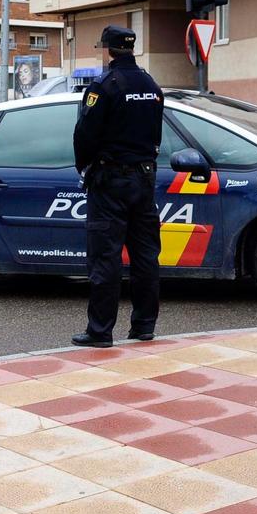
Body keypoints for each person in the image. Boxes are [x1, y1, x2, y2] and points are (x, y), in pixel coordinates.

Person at [71, 25, 164, 347]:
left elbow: (85, 133)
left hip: (111, 180)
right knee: (145, 255)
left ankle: (100, 331)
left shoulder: (105, 85)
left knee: (105, 256)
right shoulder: (150, 85)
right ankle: (144, 326)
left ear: (107, 49)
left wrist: (85, 165)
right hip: (145, 178)